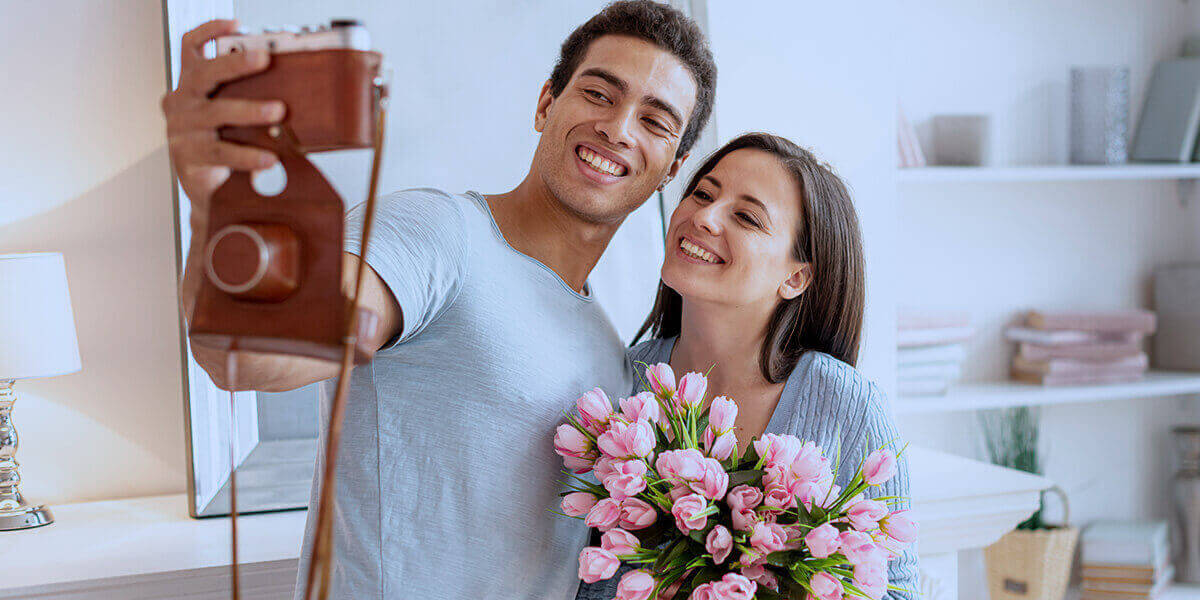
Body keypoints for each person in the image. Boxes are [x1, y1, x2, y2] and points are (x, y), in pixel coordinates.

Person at [160, 2, 716, 598]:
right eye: (600, 94)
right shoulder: (436, 234)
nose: (619, 128)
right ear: (546, 104)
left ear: (671, 170)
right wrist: (212, 202)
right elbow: (251, 358)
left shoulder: (612, 355)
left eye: (655, 121)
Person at [577, 133, 919, 600]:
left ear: (796, 277)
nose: (703, 217)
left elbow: (898, 590)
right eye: (703, 193)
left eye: (747, 217)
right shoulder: (616, 385)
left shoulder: (849, 407)